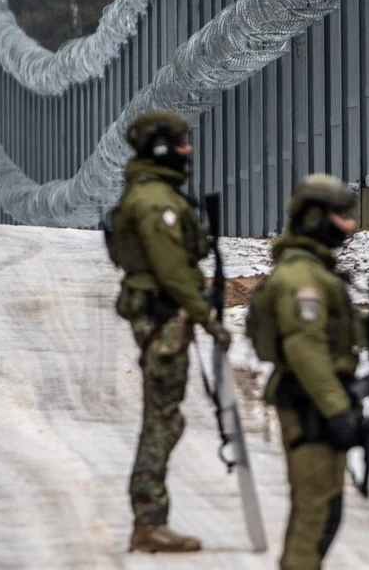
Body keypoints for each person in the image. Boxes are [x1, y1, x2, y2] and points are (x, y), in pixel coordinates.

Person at [106, 110, 230, 553]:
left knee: (164, 416)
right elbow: (172, 269)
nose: (187, 150)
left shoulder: (152, 192)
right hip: (163, 315)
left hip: (161, 312)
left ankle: (150, 518)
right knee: (162, 419)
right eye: (180, 143)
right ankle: (148, 520)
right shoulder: (156, 200)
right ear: (160, 147)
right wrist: (206, 317)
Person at [251, 174, 363, 570]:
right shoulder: (302, 278)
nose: (349, 226)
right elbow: (304, 348)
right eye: (341, 216)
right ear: (315, 218)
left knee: (318, 511)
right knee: (317, 513)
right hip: (309, 404)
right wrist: (336, 410)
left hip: (314, 401)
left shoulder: (313, 269)